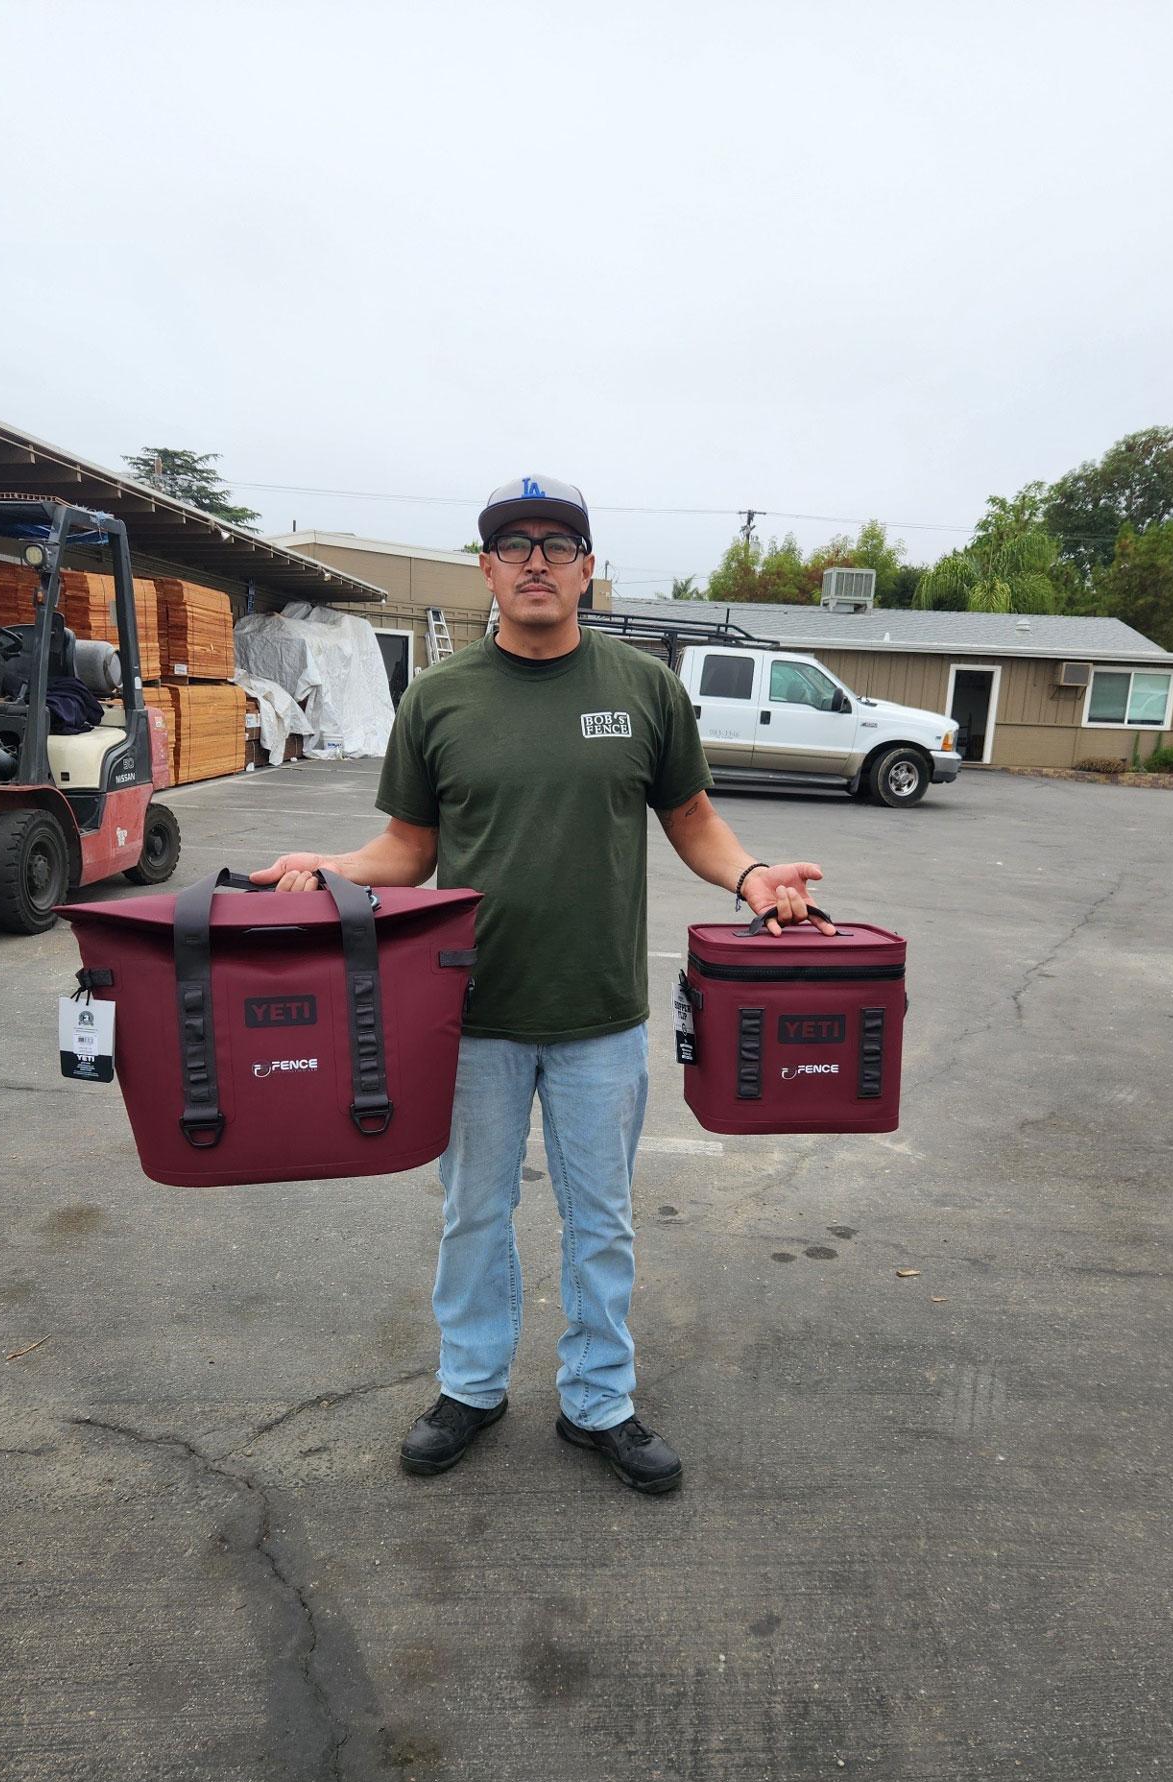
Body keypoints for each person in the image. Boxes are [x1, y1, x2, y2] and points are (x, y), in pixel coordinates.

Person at [252, 475, 827, 1496]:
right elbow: (409, 849)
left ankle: (597, 1402)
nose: (535, 562)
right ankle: (470, 1388)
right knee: (472, 1214)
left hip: (599, 1012)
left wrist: (750, 877)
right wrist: (331, 867)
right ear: (486, 569)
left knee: (601, 1222)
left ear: (587, 568)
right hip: (469, 1013)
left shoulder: (643, 689)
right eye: (513, 545)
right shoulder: (440, 698)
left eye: (558, 544)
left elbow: (693, 819)